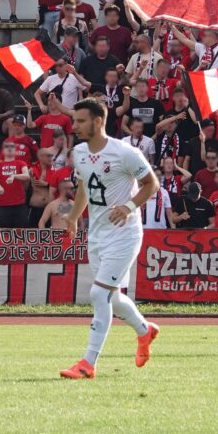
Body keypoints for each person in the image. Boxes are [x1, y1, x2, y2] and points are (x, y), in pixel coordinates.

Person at [57, 99, 162, 379]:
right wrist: (74, 217)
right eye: (74, 120)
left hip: (125, 234)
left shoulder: (125, 153)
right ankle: (145, 330)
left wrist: (128, 208)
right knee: (112, 298)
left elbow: (152, 184)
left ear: (98, 121)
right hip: (97, 234)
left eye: (80, 121)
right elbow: (83, 186)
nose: (75, 125)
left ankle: (88, 363)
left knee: (98, 293)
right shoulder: (79, 153)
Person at [0, 139, 35, 228]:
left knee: (21, 232)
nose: (9, 148)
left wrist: (14, 176)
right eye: (6, 147)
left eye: (12, 146)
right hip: (3, 205)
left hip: (19, 204)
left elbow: (27, 176)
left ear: (15, 150)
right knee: (5, 233)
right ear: (3, 150)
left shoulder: (21, 163)